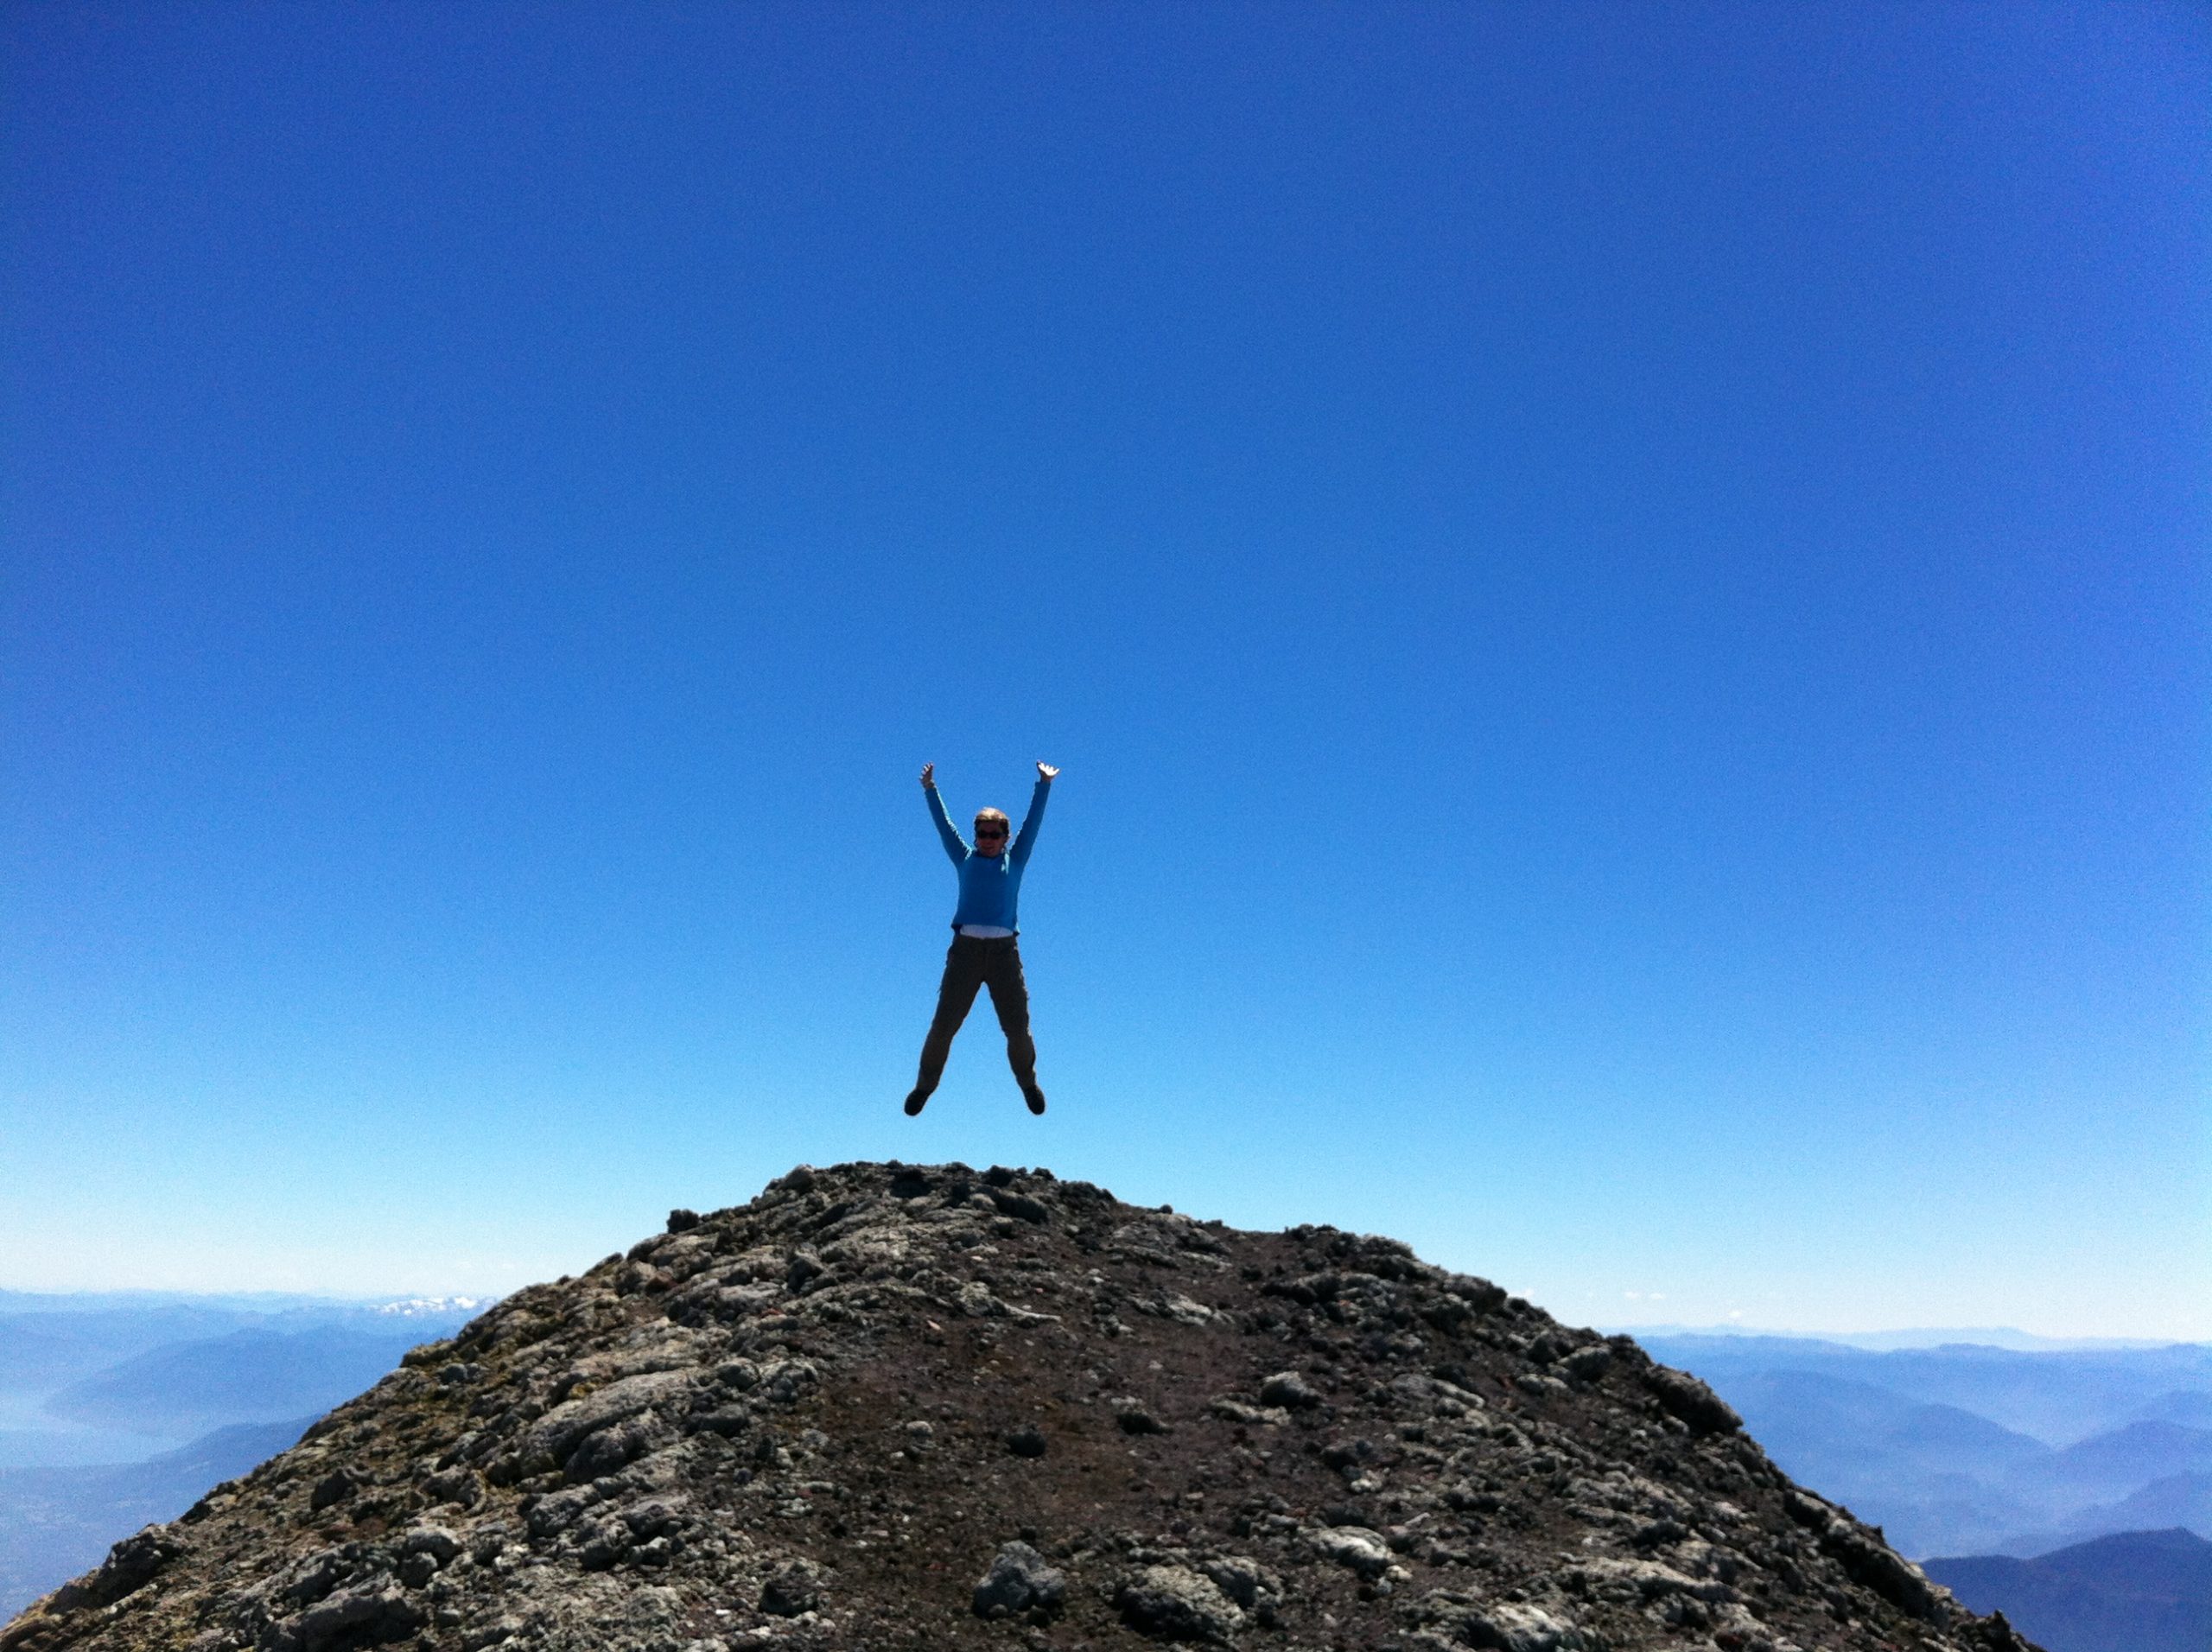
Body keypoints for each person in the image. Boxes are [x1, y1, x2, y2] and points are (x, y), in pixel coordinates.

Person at [905, 759, 1058, 1116]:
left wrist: (1044, 785)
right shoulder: (964, 859)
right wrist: (931, 789)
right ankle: (924, 1087)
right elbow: (943, 825)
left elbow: (1033, 825)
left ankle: (1028, 1084)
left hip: (1005, 954)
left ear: (1005, 838)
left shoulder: (1015, 861)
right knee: (943, 1026)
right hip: (966, 953)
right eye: (983, 834)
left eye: (995, 835)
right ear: (976, 836)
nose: (988, 841)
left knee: (1018, 1029)